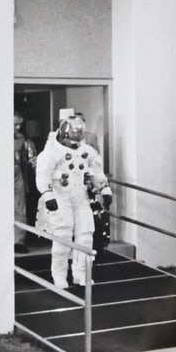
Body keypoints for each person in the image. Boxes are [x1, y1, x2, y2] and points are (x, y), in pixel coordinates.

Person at [35, 113, 112, 290]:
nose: (74, 142)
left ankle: (81, 274)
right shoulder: (51, 153)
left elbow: (96, 171)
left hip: (81, 195)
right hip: (60, 195)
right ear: (63, 134)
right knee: (62, 235)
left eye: (78, 136)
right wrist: (47, 195)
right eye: (72, 137)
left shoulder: (87, 151)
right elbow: (42, 175)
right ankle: (59, 275)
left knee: (85, 235)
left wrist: (104, 189)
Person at [13, 112, 37, 253]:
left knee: (20, 209)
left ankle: (19, 241)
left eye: (19, 124)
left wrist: (26, 181)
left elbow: (24, 160)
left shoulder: (21, 139)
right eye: (15, 124)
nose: (17, 127)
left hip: (17, 174)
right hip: (1, 173)